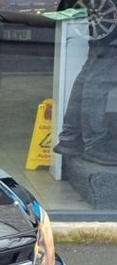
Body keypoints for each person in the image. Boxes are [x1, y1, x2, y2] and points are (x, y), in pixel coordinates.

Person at [53, 20, 117, 165]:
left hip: (105, 17)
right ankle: (94, 143)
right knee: (100, 78)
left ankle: (71, 136)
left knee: (92, 72)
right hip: (111, 20)